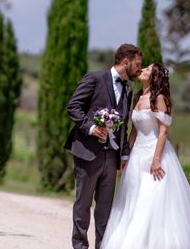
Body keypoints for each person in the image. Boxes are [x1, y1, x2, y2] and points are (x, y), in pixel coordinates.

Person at [101, 62, 190, 249]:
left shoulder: (159, 98)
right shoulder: (138, 97)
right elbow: (134, 132)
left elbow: (163, 132)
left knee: (150, 200)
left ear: (154, 77)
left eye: (147, 69)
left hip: (155, 153)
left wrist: (156, 159)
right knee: (133, 200)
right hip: (137, 155)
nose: (142, 70)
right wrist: (126, 155)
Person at [65, 44, 143, 249]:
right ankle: (80, 246)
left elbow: (124, 125)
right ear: (125, 61)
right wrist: (90, 128)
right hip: (88, 153)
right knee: (83, 205)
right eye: (137, 64)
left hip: (112, 157)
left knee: (105, 209)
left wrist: (124, 154)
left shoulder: (128, 89)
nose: (139, 69)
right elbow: (73, 106)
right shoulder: (94, 78)